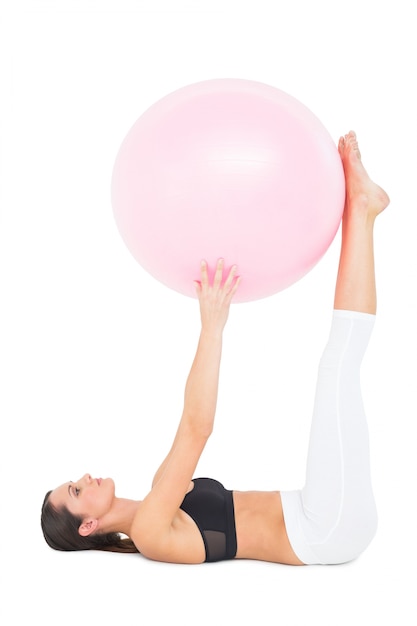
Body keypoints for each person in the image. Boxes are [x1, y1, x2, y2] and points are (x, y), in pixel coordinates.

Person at [41, 131, 389, 565]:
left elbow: (189, 426)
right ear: (87, 526)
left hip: (316, 509)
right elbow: (197, 427)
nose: (84, 477)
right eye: (76, 490)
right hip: (324, 530)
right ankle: (362, 210)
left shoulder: (158, 491)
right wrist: (212, 327)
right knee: (337, 366)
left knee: (338, 364)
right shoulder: (150, 532)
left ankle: (362, 210)